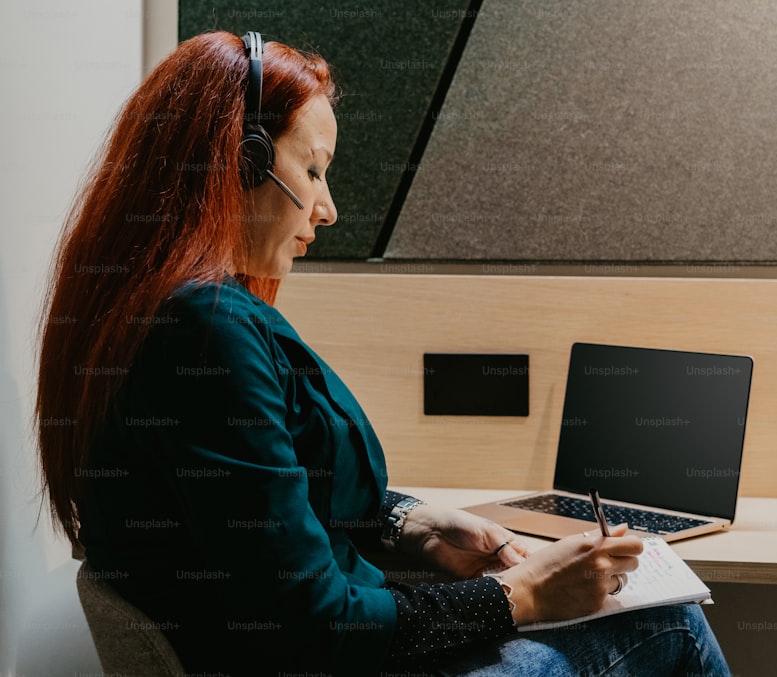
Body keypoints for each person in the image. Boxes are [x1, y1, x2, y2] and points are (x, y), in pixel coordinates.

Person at [35, 31, 731, 676]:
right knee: (669, 621)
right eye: (312, 170)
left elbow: (273, 508)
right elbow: (314, 625)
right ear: (243, 162)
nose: (327, 208)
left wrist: (412, 525)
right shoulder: (204, 330)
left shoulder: (156, 311)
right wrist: (521, 593)